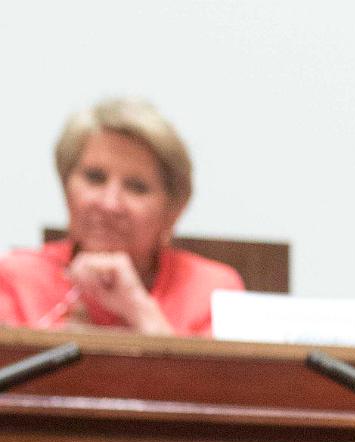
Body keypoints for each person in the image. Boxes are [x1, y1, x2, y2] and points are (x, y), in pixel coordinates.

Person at [0, 99, 242, 336]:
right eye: (95, 177)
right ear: (66, 187)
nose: (110, 203)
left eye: (137, 187)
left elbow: (214, 378)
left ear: (173, 210)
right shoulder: (15, 277)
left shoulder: (212, 290)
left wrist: (139, 309)